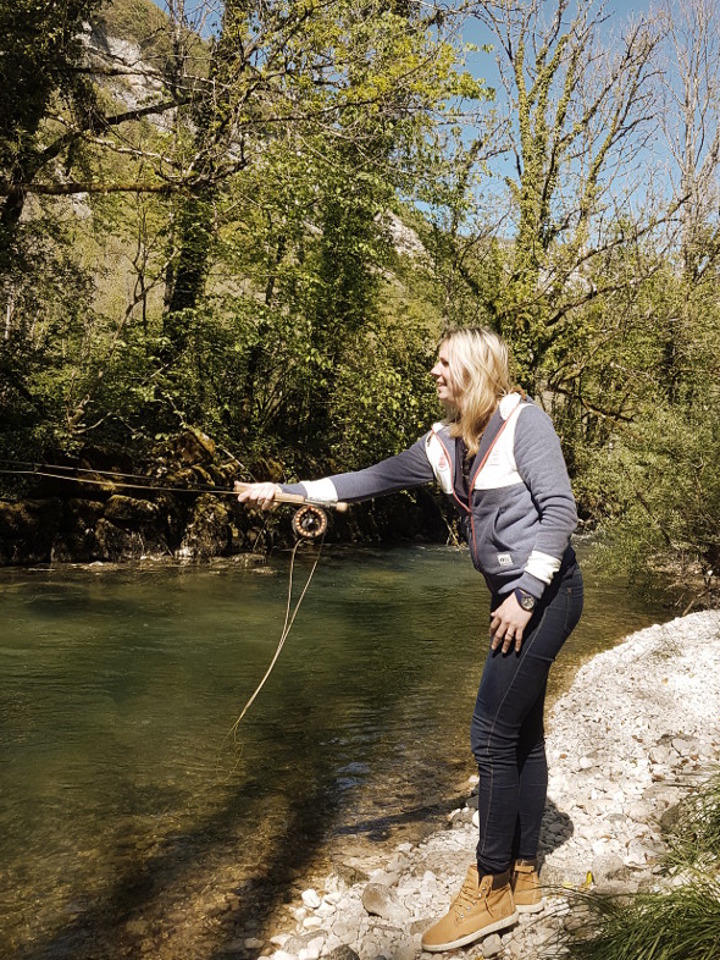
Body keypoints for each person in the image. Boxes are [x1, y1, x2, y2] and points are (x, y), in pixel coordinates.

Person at [236, 327, 584, 951]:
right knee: (521, 734)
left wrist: (525, 596)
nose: (432, 370)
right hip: (515, 599)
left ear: (474, 370)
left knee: (490, 734)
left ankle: (491, 888)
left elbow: (560, 511)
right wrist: (285, 490)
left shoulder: (524, 422)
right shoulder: (444, 444)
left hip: (547, 597)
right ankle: (525, 876)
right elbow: (366, 480)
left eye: (443, 362)